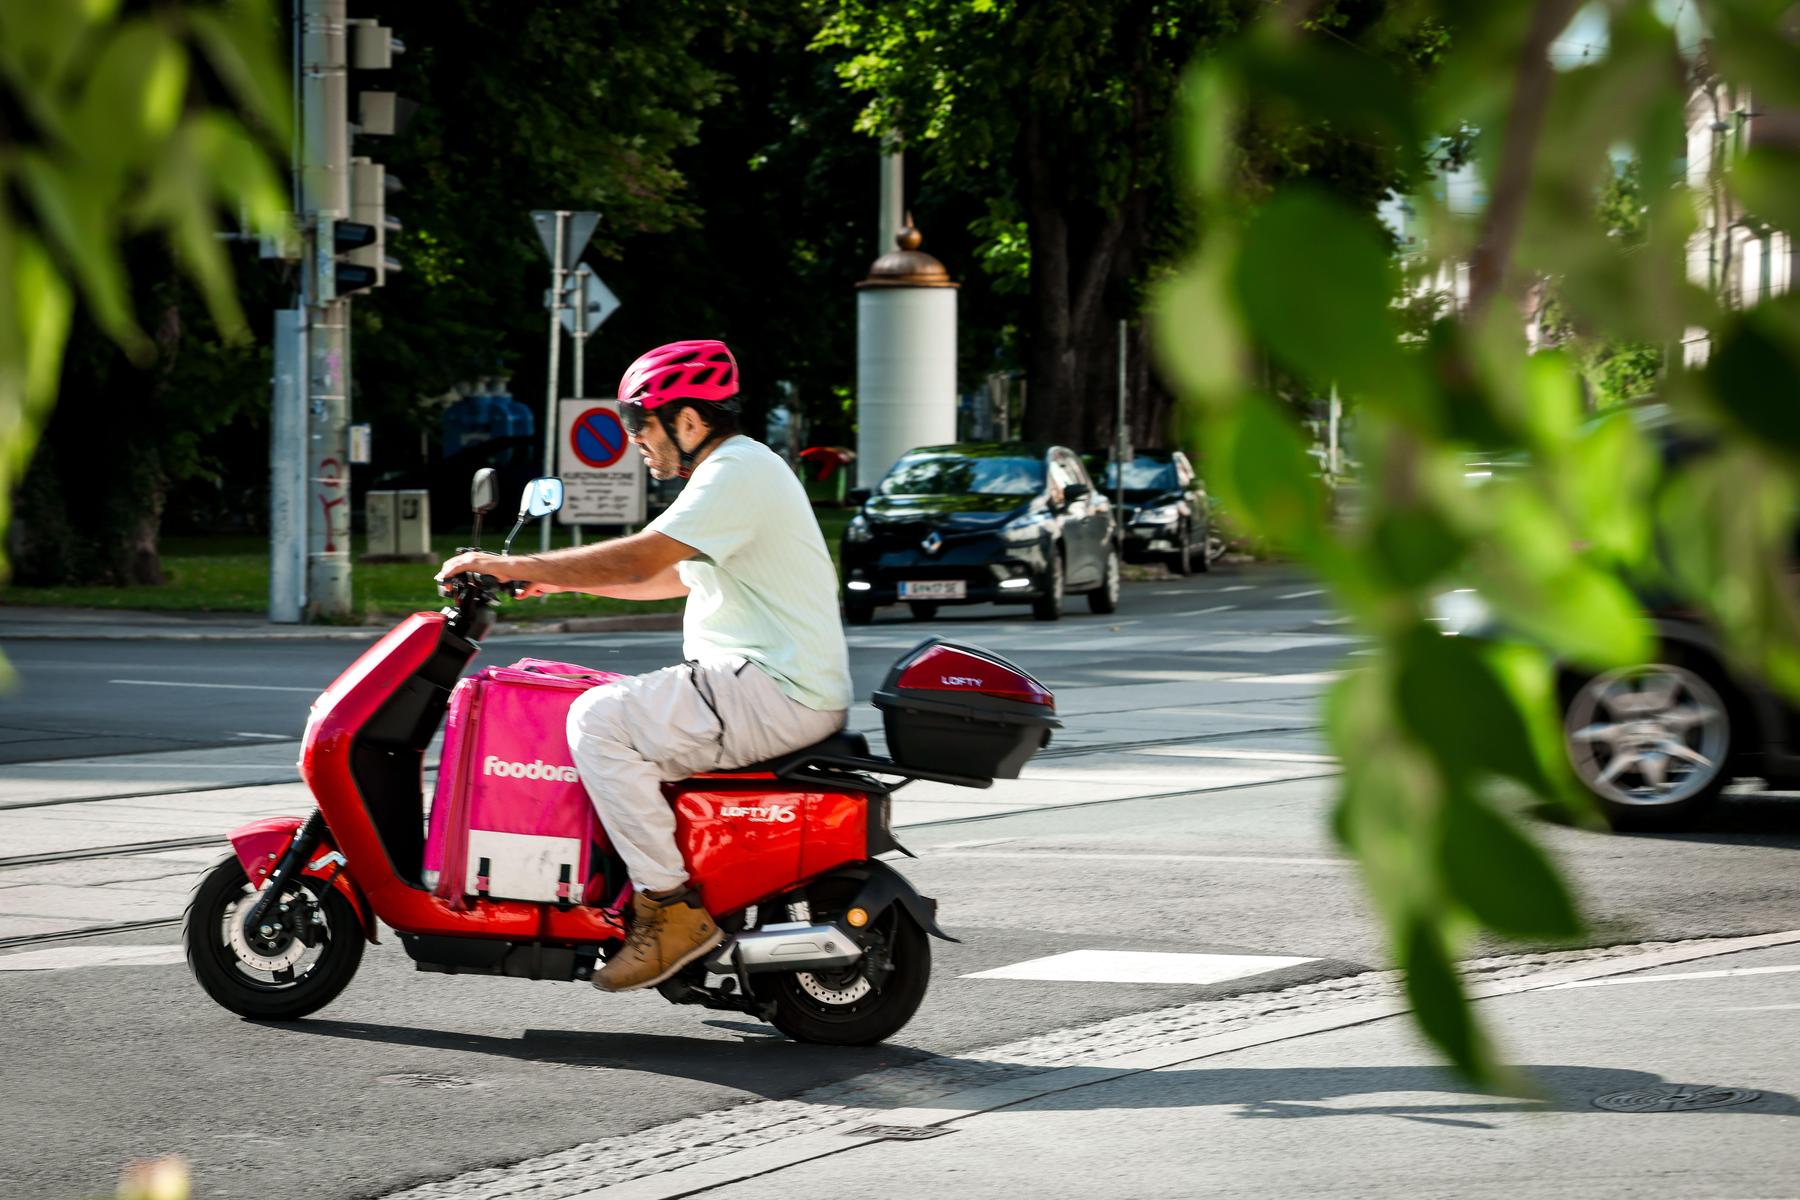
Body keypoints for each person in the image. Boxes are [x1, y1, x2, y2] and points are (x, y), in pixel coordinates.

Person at [436, 339, 853, 991]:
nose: (635, 441)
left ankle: (670, 909)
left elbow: (641, 559)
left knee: (597, 720)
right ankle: (648, 894)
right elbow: (672, 577)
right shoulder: (740, 473)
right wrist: (560, 581)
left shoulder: (735, 471)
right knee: (618, 716)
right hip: (773, 687)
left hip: (774, 689)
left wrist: (512, 564)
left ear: (689, 421)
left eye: (641, 425)